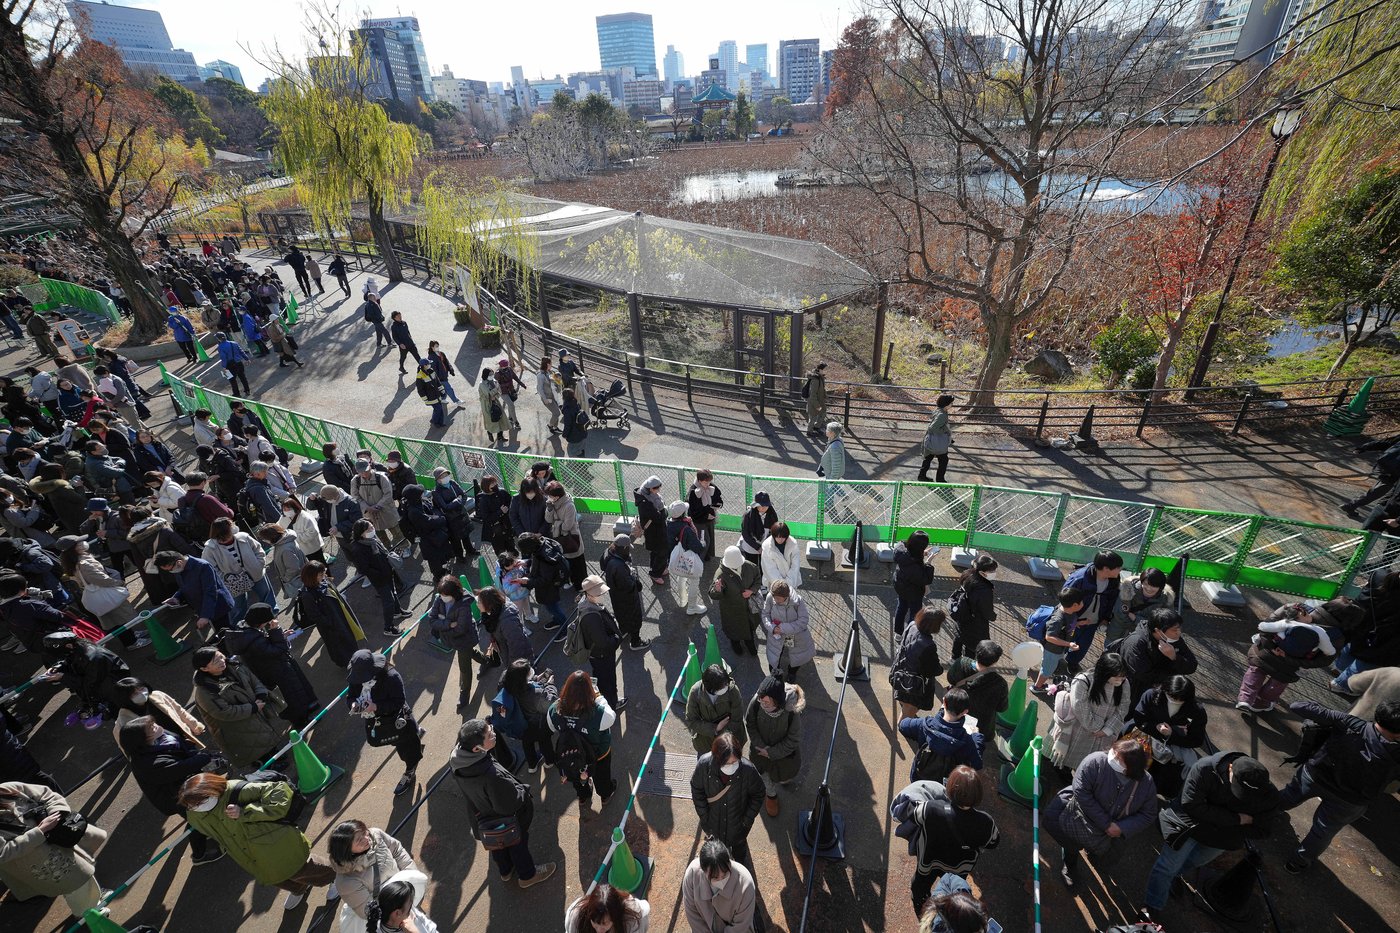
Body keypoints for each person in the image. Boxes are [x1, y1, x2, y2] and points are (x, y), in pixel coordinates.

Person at [1143, 752, 1278, 918]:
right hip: (1189, 828)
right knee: (1167, 867)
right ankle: (1152, 907)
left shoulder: (1269, 796)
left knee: (1195, 861)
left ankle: (1174, 876)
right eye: (1238, 788)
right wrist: (1237, 819)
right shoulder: (1204, 768)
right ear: (1230, 768)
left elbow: (1262, 830)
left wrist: (1212, 815)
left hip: (1219, 840)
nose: (1241, 797)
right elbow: (1191, 804)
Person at [179, 773, 337, 910]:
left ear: (211, 792)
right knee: (276, 877)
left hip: (275, 842)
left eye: (197, 803)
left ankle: (336, 876)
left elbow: (280, 791)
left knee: (302, 868)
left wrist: (246, 811)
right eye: (190, 805)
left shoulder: (237, 790)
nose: (194, 808)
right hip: (248, 853)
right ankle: (299, 888)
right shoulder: (194, 814)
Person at [1277, 699, 1400, 873]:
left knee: (1288, 796)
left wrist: (1327, 711)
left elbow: (1297, 706)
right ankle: (1297, 862)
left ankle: (1265, 813)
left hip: (1316, 776)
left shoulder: (1350, 722)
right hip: (1351, 800)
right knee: (1322, 831)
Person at [1043, 739, 1159, 889]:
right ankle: (1070, 864)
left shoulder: (1146, 783)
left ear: (1131, 768)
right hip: (1081, 817)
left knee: (1106, 858)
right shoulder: (1095, 761)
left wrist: (1122, 828)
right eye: (1114, 752)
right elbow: (1081, 791)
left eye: (1119, 759)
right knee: (1071, 840)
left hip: (1112, 831)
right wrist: (1106, 824)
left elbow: (1148, 814)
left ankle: (1093, 857)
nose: (1112, 757)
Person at [891, 765, 999, 920]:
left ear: (950, 788)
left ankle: (924, 915)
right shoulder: (986, 822)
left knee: (919, 887)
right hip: (959, 868)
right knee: (953, 893)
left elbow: (913, 815)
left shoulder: (931, 809)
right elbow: (993, 842)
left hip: (929, 862)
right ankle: (947, 916)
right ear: (978, 794)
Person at [117, 716, 225, 867]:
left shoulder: (160, 741)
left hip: (183, 788)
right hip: (175, 797)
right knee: (197, 821)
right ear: (142, 740)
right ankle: (199, 855)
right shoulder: (148, 764)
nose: (156, 726)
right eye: (151, 728)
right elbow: (180, 768)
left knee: (199, 818)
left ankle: (206, 832)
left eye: (153, 723)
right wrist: (204, 757)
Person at [0, 782, 110, 919]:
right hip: (36, 860)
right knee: (75, 880)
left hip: (59, 839)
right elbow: (2, 853)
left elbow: (47, 794)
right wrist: (40, 831)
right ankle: (87, 913)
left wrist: (55, 812)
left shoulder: (7, 788)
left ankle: (92, 898)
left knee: (79, 873)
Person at [1236, 599, 1356, 714]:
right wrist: (1291, 660)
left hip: (1266, 653)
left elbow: (1266, 625)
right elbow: (1326, 658)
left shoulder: (1296, 608)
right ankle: (1260, 704)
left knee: (1256, 672)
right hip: (1291, 666)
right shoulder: (1335, 636)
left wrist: (1271, 647)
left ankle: (1245, 699)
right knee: (1277, 684)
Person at [221, 603, 322, 729]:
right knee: (291, 698)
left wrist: (280, 636)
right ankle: (302, 722)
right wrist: (276, 631)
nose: (269, 623)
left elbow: (266, 645)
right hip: (277, 673)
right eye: (267, 622)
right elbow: (278, 650)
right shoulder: (254, 641)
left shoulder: (245, 631)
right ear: (260, 623)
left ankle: (306, 710)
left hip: (272, 671)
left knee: (295, 693)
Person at [191, 646, 287, 770]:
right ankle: (265, 765)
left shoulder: (235, 666)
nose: (222, 661)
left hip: (254, 712)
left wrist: (261, 695)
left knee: (262, 736)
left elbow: (254, 681)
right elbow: (224, 712)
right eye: (216, 661)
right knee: (252, 745)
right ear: (204, 668)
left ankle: (273, 754)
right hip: (235, 726)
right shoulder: (204, 692)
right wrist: (252, 708)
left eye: (221, 656)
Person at [346, 649, 423, 796]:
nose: (360, 680)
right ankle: (416, 734)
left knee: (406, 748)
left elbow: (399, 702)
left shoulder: (391, 677)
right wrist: (354, 705)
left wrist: (376, 707)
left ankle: (410, 771)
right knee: (396, 741)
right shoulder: (357, 678)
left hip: (396, 720)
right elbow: (350, 696)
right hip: (376, 722)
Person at [328, 819, 418, 933]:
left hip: (404, 893)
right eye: (359, 840)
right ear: (346, 851)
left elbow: (397, 850)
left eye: (364, 832)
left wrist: (412, 875)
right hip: (392, 912)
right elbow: (370, 909)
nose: (367, 838)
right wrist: (401, 909)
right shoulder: (346, 882)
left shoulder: (376, 834)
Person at [547, 670, 618, 812]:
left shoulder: (554, 709)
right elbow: (611, 717)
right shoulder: (598, 713)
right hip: (598, 754)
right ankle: (605, 795)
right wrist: (598, 697)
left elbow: (552, 727)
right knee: (602, 776)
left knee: (576, 774)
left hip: (572, 754)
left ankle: (583, 797)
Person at [1125, 675, 1207, 799]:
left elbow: (1196, 739)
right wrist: (1155, 728)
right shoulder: (1151, 695)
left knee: (1166, 776)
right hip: (1147, 738)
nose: (1174, 701)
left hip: (1173, 749)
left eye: (1180, 700)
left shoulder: (1197, 711)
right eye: (1171, 697)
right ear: (1164, 690)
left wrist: (1171, 734)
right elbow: (1139, 718)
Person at [691, 733, 765, 868]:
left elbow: (759, 794)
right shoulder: (704, 765)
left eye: (735, 762)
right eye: (727, 763)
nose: (731, 766)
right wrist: (705, 816)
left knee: (739, 850)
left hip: (738, 827)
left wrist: (747, 820)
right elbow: (697, 790)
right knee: (716, 854)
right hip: (713, 824)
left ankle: (740, 865)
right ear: (717, 758)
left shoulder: (748, 770)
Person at [1049, 651, 1131, 774]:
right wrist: (1097, 728)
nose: (1120, 681)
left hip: (1104, 732)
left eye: (1122, 677)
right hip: (1081, 727)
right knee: (1068, 756)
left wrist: (1107, 729)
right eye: (1116, 678)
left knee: (1089, 763)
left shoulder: (1124, 683)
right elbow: (1079, 707)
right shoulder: (1084, 680)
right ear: (1105, 672)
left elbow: (1123, 707)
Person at [745, 673, 804, 818]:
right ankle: (771, 797)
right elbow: (750, 724)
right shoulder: (757, 702)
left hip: (784, 757)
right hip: (760, 753)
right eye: (761, 700)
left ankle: (783, 780)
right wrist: (761, 747)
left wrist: (772, 752)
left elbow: (793, 739)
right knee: (764, 777)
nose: (762, 704)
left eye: (767, 702)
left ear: (777, 701)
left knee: (785, 776)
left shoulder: (791, 712)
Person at [899, 687, 984, 782]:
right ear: (965, 712)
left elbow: (903, 726)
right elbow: (977, 764)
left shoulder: (924, 725)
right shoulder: (967, 741)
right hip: (944, 783)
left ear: (944, 702)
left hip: (918, 777)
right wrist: (976, 736)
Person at [203, 516, 276, 625]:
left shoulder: (243, 537)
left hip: (256, 574)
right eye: (231, 525)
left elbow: (258, 549)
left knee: (266, 595)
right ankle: (239, 626)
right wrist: (226, 579)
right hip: (233, 583)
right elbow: (210, 569)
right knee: (238, 607)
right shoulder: (210, 549)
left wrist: (259, 564)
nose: (234, 525)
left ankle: (272, 618)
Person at [1118, 606, 1198, 706]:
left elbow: (1192, 666)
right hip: (1134, 695)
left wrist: (1174, 657)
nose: (1179, 632)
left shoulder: (1174, 639)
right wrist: (1173, 676)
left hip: (1159, 692)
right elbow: (1145, 676)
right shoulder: (1135, 644)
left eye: (1179, 628)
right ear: (1158, 630)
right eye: (1174, 630)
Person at [293, 561, 365, 667]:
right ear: (312, 576)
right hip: (331, 626)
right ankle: (348, 663)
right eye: (321, 574)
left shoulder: (322, 582)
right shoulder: (307, 595)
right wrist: (329, 623)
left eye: (324, 572)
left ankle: (355, 658)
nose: (324, 575)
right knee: (339, 646)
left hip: (339, 617)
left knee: (348, 640)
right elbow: (314, 615)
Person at [347, 518, 411, 636]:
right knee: (388, 601)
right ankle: (388, 628)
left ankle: (398, 611)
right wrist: (380, 574)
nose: (373, 530)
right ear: (361, 533)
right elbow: (364, 569)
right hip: (379, 578)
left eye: (372, 527)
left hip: (387, 572)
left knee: (394, 592)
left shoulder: (372, 539)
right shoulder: (358, 549)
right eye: (369, 529)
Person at [1063, 551, 1124, 672]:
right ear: (1106, 569)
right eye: (1118, 568)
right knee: (1065, 639)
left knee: (1083, 644)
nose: (1120, 570)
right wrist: (1071, 618)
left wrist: (1105, 618)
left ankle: (1072, 662)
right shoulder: (1080, 578)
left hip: (1093, 620)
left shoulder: (1114, 580)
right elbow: (1066, 598)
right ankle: (1056, 658)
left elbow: (1112, 600)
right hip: (1075, 618)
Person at [494, 660, 559, 772]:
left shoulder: (505, 685)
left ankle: (532, 765)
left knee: (527, 743)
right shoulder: (534, 694)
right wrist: (550, 685)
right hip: (537, 725)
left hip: (519, 725)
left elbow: (522, 683)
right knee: (544, 741)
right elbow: (550, 703)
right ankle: (549, 761)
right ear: (523, 679)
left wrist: (535, 679)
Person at [575, 575, 627, 711]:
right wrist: (617, 638)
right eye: (599, 593)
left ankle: (605, 700)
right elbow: (603, 642)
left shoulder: (587, 605)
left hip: (596, 654)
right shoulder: (591, 616)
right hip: (602, 655)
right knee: (608, 681)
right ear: (588, 594)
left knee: (602, 679)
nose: (603, 594)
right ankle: (611, 704)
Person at [112, 675, 207, 750]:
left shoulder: (158, 696)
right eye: (134, 693)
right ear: (124, 698)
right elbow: (130, 749)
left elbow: (179, 710)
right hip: (165, 751)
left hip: (183, 738)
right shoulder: (123, 722)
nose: (141, 694)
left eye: (141, 688)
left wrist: (195, 725)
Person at [682, 839, 756, 933]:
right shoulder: (692, 875)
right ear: (703, 870)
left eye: (725, 875)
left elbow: (740, 926)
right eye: (715, 877)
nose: (721, 881)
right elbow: (693, 915)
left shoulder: (745, 885)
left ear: (729, 862)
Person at [157, 550, 237, 634]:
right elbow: (184, 587)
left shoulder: (202, 566)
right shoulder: (179, 568)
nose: (170, 572)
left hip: (219, 607)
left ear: (179, 562)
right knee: (221, 633)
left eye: (170, 569)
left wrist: (205, 616)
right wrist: (176, 598)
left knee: (230, 634)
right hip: (206, 608)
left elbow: (210, 592)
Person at [891, 607, 946, 721]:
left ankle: (906, 714)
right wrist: (940, 669)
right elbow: (933, 669)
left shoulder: (911, 625)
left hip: (900, 673)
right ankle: (904, 725)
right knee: (909, 710)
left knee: (904, 703)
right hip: (913, 685)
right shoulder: (928, 645)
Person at [945, 641, 1008, 738]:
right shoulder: (1000, 683)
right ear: (995, 661)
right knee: (976, 739)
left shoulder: (961, 663)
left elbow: (950, 679)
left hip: (958, 711)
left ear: (976, 653)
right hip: (982, 723)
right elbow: (1002, 708)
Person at [1032, 587, 1086, 693]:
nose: (1083, 603)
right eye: (1081, 602)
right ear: (1075, 605)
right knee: (1047, 670)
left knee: (1049, 665)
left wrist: (1077, 623)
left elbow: (1066, 625)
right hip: (1053, 650)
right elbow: (1049, 637)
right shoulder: (1058, 619)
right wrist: (1069, 644)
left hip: (1059, 649)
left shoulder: (1065, 609)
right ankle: (1037, 687)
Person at [600, 534, 648, 651]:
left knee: (621, 614)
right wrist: (633, 576)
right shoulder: (619, 567)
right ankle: (635, 642)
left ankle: (624, 630)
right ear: (625, 548)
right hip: (627, 598)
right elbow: (629, 586)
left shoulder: (608, 553)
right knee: (634, 618)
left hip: (615, 594)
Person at [686, 663, 747, 753]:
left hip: (731, 743)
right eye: (722, 687)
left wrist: (722, 736)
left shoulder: (732, 690)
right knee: (706, 762)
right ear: (710, 689)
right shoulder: (696, 692)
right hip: (705, 744)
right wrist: (715, 728)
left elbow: (737, 719)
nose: (726, 687)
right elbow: (691, 721)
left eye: (726, 684)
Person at [515, 532, 569, 631]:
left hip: (549, 588)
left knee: (552, 607)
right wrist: (527, 562)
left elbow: (544, 580)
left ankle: (565, 627)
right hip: (553, 583)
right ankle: (558, 620)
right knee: (552, 606)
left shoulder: (545, 558)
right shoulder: (543, 544)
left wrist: (528, 581)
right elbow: (537, 562)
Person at [761, 581, 815, 679]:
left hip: (790, 634)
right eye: (774, 597)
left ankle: (792, 672)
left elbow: (803, 620)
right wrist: (772, 628)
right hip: (776, 632)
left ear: (786, 596)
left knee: (794, 654)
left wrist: (782, 628)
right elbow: (765, 615)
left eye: (778, 598)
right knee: (775, 655)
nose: (775, 600)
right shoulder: (770, 598)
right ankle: (776, 674)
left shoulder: (797, 601)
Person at [714, 546, 761, 656]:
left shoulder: (750, 567)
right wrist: (717, 589)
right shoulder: (720, 574)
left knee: (749, 627)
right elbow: (714, 594)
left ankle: (749, 643)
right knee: (733, 629)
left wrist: (752, 590)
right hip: (731, 608)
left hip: (748, 606)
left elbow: (758, 580)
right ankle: (735, 643)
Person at [1106, 567, 1173, 644]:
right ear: (1141, 582)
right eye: (1145, 584)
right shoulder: (1128, 589)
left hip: (1138, 639)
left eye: (1154, 586)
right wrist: (1142, 623)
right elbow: (1119, 614)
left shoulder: (1166, 600)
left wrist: (1135, 618)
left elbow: (1160, 624)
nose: (1149, 588)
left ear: (1161, 587)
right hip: (1116, 633)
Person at [948, 555, 997, 660]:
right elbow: (987, 611)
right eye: (992, 570)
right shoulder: (984, 591)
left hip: (962, 615)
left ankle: (954, 658)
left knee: (959, 637)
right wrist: (993, 616)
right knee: (972, 646)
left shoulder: (967, 575)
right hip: (974, 623)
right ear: (982, 573)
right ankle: (966, 663)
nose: (994, 572)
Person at [892, 531, 938, 638]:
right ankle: (909, 635)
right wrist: (928, 563)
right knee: (915, 613)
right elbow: (925, 579)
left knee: (901, 607)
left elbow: (905, 546)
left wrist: (922, 552)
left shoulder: (900, 550)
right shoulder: (914, 566)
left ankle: (898, 633)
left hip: (900, 585)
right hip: (914, 592)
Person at [544, 480, 587, 587]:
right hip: (560, 538)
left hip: (571, 539)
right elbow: (548, 520)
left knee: (577, 565)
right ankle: (571, 582)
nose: (548, 497)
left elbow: (567, 526)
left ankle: (582, 586)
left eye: (550, 495)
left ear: (557, 496)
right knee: (566, 563)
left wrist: (555, 525)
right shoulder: (552, 504)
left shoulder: (569, 505)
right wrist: (549, 509)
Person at [351, 459, 401, 546]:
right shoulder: (355, 481)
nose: (364, 474)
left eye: (366, 471)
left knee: (397, 532)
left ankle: (403, 547)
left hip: (386, 511)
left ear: (370, 467)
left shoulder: (381, 478)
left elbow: (388, 494)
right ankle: (388, 549)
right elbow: (355, 496)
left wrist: (378, 506)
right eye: (361, 472)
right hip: (370, 514)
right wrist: (367, 507)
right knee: (380, 535)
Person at [566, 884, 651, 933]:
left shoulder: (632, 919)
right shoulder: (576, 916)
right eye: (595, 922)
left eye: (605, 923)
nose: (599, 930)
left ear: (616, 917)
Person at [634, 475, 670, 585]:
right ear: (649, 488)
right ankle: (655, 573)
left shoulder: (647, 496)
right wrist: (664, 511)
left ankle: (659, 568)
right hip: (654, 531)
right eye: (656, 488)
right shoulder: (645, 503)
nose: (658, 490)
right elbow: (659, 517)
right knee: (661, 551)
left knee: (656, 551)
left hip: (654, 530)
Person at [686, 469, 724, 562]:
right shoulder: (693, 492)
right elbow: (693, 511)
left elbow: (718, 498)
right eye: (705, 482)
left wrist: (718, 504)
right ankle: (699, 561)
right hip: (699, 521)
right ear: (699, 481)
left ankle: (707, 557)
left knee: (710, 538)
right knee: (704, 540)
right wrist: (705, 516)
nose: (708, 484)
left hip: (710, 518)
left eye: (709, 482)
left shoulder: (711, 486)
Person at [917, 394, 956, 483]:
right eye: (951, 403)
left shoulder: (938, 410)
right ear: (946, 404)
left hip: (931, 440)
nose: (952, 405)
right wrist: (945, 431)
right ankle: (940, 480)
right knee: (943, 460)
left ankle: (922, 476)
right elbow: (933, 428)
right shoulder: (942, 414)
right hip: (937, 441)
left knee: (928, 458)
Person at [279, 496, 326, 564]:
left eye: (288, 509)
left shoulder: (305, 517)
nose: (286, 511)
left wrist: (294, 538)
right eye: (284, 509)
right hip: (298, 551)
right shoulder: (283, 518)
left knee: (320, 566)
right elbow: (279, 527)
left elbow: (312, 533)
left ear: (294, 508)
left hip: (312, 549)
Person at [760, 521, 802, 592]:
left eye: (783, 537)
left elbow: (795, 565)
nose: (780, 540)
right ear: (773, 535)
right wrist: (781, 585)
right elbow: (769, 569)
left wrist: (789, 582)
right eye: (778, 537)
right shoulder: (767, 546)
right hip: (775, 584)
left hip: (791, 581)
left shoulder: (793, 544)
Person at [474, 474, 512, 554]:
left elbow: (510, 501)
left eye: (495, 482)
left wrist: (507, 509)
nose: (495, 485)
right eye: (492, 484)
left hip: (507, 525)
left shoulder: (502, 492)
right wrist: (500, 512)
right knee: (500, 551)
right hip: (495, 530)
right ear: (486, 486)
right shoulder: (483, 499)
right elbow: (486, 518)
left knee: (511, 547)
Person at [738, 491, 778, 566]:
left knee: (764, 567)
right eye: (760, 505)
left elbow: (774, 531)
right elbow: (745, 534)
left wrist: (766, 546)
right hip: (750, 546)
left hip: (765, 545)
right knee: (752, 566)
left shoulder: (772, 515)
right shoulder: (748, 515)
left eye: (766, 505)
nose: (763, 508)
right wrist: (758, 547)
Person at [216, 332, 252, 396]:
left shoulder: (220, 347)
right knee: (243, 377)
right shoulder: (234, 343)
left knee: (232, 380)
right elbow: (241, 351)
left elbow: (223, 358)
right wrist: (247, 359)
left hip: (229, 365)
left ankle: (236, 393)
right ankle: (247, 391)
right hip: (239, 363)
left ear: (218, 339)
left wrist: (224, 367)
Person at [415, 358, 448, 428]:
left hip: (437, 395)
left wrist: (442, 390)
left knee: (439, 409)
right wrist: (425, 399)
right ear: (424, 365)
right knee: (438, 409)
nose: (430, 365)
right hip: (431, 397)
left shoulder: (432, 371)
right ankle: (435, 422)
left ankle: (439, 422)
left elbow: (438, 382)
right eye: (428, 364)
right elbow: (420, 390)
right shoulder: (420, 376)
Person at [536, 354, 562, 434]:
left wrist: (557, 381)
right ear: (547, 364)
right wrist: (545, 399)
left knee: (556, 412)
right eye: (551, 363)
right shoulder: (540, 375)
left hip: (552, 396)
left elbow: (553, 382)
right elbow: (539, 389)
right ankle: (550, 425)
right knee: (557, 413)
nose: (551, 365)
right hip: (547, 398)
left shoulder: (548, 372)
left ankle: (555, 427)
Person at [495, 358, 522, 428]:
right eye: (505, 366)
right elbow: (496, 385)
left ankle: (510, 418)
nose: (507, 367)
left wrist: (521, 383)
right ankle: (516, 422)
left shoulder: (509, 369)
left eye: (507, 365)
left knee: (511, 405)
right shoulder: (497, 374)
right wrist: (505, 385)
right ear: (501, 366)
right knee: (511, 405)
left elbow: (514, 376)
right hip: (503, 392)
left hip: (511, 390)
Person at [562, 388, 588, 457]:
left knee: (572, 453)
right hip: (582, 432)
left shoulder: (567, 410)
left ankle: (579, 462)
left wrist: (564, 435)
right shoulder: (576, 403)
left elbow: (568, 425)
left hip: (574, 436)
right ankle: (584, 459)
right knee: (581, 449)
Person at [803, 363, 828, 436]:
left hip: (820, 400)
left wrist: (825, 396)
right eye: (823, 370)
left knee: (823, 413)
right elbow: (812, 394)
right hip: (813, 402)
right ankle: (809, 431)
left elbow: (821, 389)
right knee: (813, 417)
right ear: (820, 370)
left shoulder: (820, 378)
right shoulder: (815, 380)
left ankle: (816, 427)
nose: (824, 371)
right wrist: (817, 405)